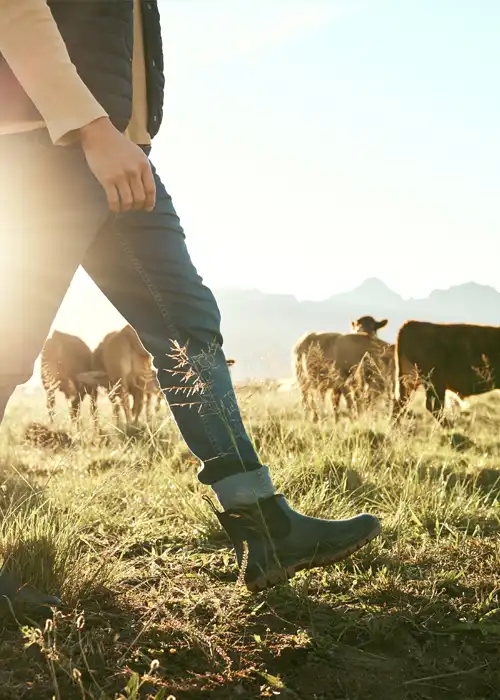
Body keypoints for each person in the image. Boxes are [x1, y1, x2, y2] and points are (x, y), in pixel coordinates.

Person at [0, 0, 381, 605]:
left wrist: (122, 136)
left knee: (188, 323)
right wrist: (93, 130)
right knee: (8, 347)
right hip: (47, 146)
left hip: (119, 153)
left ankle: (264, 527)